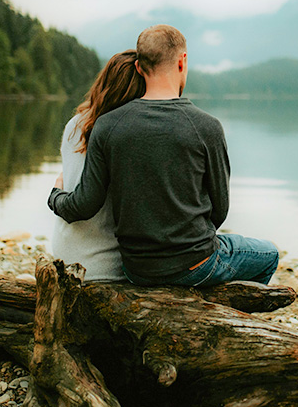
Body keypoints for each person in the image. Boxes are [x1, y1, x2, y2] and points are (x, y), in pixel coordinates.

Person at [48, 24, 279, 287]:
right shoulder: (207, 126)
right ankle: (230, 319)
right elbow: (220, 210)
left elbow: (86, 203)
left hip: (136, 268)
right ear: (182, 62)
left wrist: (55, 195)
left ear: (139, 67)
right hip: (194, 263)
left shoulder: (108, 125)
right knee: (269, 255)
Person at [50, 49, 144, 281]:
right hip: (103, 265)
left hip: (65, 254)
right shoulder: (125, 134)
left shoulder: (75, 124)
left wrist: (54, 195)